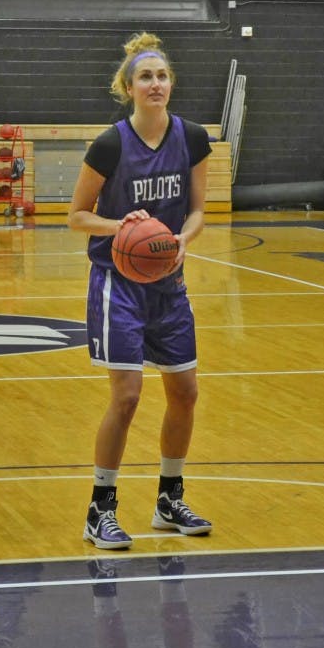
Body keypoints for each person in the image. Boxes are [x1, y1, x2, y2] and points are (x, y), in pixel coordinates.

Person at [67, 32, 212, 550]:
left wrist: (181, 239)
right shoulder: (110, 144)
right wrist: (121, 227)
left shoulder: (192, 137)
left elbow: (197, 210)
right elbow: (76, 217)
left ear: (171, 84)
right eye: (145, 77)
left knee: (186, 392)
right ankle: (99, 508)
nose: (155, 84)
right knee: (127, 396)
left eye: (162, 76)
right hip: (117, 284)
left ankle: (169, 499)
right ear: (128, 87)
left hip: (168, 283)